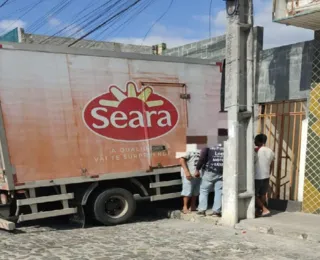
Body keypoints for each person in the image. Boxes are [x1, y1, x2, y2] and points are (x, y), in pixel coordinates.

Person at [196, 144, 224, 217]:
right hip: (221, 171)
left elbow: (202, 157)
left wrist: (197, 169)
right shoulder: (225, 143)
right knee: (219, 191)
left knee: (204, 190)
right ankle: (216, 212)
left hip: (209, 171)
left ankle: (202, 210)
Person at [254, 133, 275, 217]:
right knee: (262, 194)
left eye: (255, 140)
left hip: (257, 176)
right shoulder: (270, 151)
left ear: (258, 141)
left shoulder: (256, 150)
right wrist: (268, 173)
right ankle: (260, 211)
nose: (254, 141)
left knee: (253, 194)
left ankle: (264, 209)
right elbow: (272, 164)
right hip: (266, 176)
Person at [179, 149, 201, 214]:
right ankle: (185, 207)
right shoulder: (189, 149)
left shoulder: (202, 149)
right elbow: (181, 160)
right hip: (189, 174)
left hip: (198, 174)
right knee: (187, 191)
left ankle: (193, 206)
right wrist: (186, 172)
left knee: (196, 191)